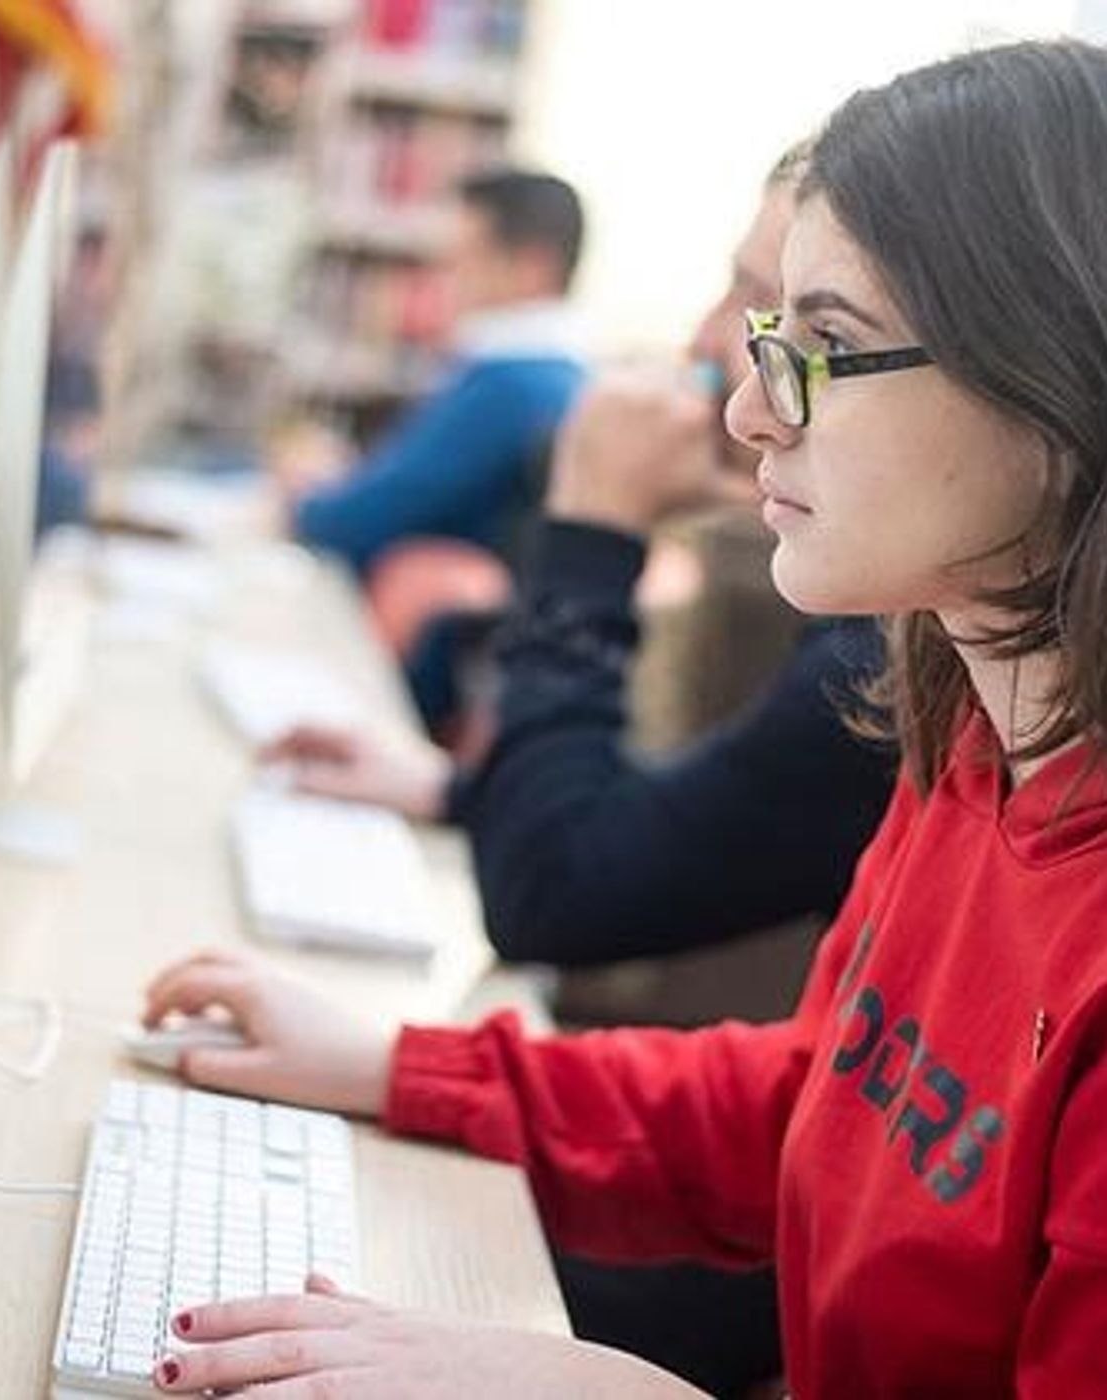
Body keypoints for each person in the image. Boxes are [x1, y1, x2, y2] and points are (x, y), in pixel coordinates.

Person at [143, 39, 1107, 1397]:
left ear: (1060, 380)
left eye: (820, 346)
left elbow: (576, 886)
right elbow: (812, 1103)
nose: (744, 408)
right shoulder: (968, 737)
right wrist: (399, 1067)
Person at [268, 150, 895, 1398]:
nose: (720, 365)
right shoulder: (948, 709)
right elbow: (823, 1093)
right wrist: (454, 797)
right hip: (762, 1219)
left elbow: (559, 884)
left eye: (793, 325)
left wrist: (594, 521)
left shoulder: (889, 664)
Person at [283, 166, 589, 576]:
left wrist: (305, 490)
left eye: (461, 261)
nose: (442, 283)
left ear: (532, 267)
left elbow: (348, 523)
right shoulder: (554, 376)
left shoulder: (512, 385)